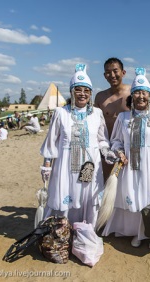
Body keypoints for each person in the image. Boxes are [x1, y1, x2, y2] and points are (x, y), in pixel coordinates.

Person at [102, 67, 150, 249]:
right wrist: (119, 152)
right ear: (131, 96)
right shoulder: (123, 118)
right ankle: (137, 232)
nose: (141, 96)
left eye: (144, 93)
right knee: (132, 197)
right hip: (129, 167)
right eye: (137, 93)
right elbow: (116, 141)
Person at [39, 64, 110, 226]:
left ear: (91, 93)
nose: (82, 94)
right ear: (72, 91)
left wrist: (107, 152)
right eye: (78, 89)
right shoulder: (60, 113)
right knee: (65, 198)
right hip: (65, 167)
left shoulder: (97, 114)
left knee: (88, 199)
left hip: (90, 167)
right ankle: (63, 233)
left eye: (86, 90)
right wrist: (47, 166)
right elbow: (51, 142)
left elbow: (102, 140)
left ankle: (86, 232)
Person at [94, 57, 131, 180]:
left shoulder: (133, 93)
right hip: (106, 149)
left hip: (128, 149)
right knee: (106, 182)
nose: (112, 75)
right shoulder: (100, 97)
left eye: (115, 71)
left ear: (123, 72)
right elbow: (94, 123)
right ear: (105, 75)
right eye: (108, 72)